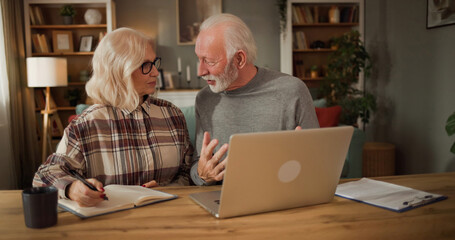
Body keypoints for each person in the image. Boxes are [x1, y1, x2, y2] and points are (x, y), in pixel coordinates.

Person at [33, 28, 193, 207]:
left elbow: (187, 173)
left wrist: (166, 190)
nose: (156, 72)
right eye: (145, 65)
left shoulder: (172, 115)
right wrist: (72, 188)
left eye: (154, 62)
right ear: (119, 69)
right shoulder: (86, 125)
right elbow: (44, 176)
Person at [191, 13, 319, 186]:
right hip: (222, 200)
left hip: (281, 197)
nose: (200, 71)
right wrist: (203, 175)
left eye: (209, 61)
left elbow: (317, 162)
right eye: (199, 59)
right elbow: (196, 165)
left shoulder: (292, 91)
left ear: (239, 59)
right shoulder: (204, 99)